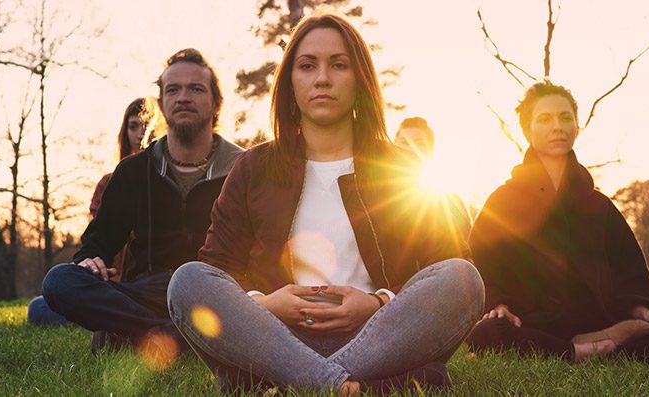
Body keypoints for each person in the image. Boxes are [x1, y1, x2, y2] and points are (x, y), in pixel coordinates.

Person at [166, 13, 483, 395]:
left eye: (338, 65)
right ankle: (358, 387)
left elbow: (442, 260)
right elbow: (218, 267)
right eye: (307, 66)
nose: (322, 79)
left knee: (463, 279)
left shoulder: (400, 167)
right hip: (275, 341)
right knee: (188, 281)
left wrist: (378, 303)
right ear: (290, 83)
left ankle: (293, 385)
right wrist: (265, 304)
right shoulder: (254, 167)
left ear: (360, 80)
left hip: (381, 341)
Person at [466, 82, 649, 362]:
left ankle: (589, 346)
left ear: (577, 126)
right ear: (527, 130)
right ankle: (593, 350)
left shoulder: (599, 204)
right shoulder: (502, 201)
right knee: (485, 334)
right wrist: (497, 303)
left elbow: (629, 269)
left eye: (566, 117)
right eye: (545, 119)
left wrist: (640, 311)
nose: (557, 126)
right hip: (533, 322)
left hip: (598, 321)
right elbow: (482, 262)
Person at [41, 48, 244, 357]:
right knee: (59, 281)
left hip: (216, 295)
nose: (183, 97)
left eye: (196, 89)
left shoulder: (243, 167)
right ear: (161, 104)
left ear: (216, 103)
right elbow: (98, 242)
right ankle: (170, 336)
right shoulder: (133, 170)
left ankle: (133, 335)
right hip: (145, 293)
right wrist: (91, 259)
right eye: (173, 90)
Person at [28, 97, 148, 327]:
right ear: (125, 132)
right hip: (113, 288)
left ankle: (132, 325)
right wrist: (90, 264)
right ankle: (119, 319)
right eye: (134, 126)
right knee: (39, 306)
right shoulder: (110, 182)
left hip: (150, 287)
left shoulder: (165, 181)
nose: (141, 133)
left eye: (146, 124)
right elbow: (99, 239)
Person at [394, 116, 472, 241]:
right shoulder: (375, 197)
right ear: (394, 148)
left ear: (430, 150)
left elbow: (463, 251)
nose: (411, 149)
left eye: (419, 144)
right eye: (405, 143)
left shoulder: (449, 201)